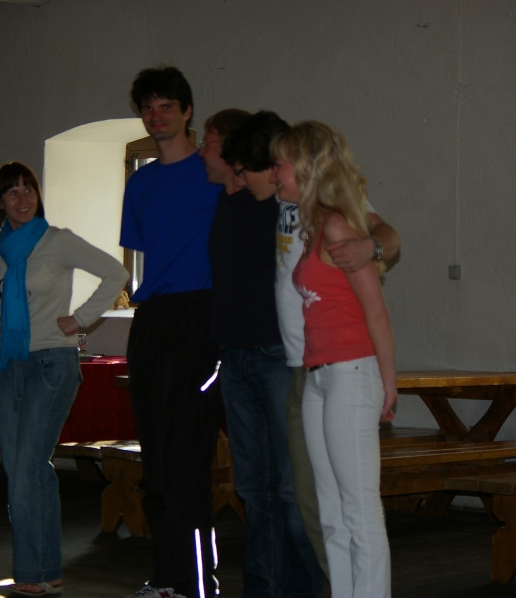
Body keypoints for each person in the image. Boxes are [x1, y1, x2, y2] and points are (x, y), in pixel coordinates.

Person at [0, 162, 128, 597]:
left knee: (28, 466)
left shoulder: (57, 240)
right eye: (12, 192)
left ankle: (30, 573)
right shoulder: (0, 246)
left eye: (28, 189)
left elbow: (116, 273)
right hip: (10, 362)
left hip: (52, 361)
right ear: (0, 202)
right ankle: (48, 570)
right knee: (23, 467)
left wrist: (80, 319)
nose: (23, 198)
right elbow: (2, 299)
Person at [272, 121, 397, 597]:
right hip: (319, 375)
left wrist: (388, 384)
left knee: (359, 509)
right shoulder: (312, 227)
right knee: (330, 511)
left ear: (306, 169)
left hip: (352, 373)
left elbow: (376, 312)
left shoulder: (340, 226)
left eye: (281, 164)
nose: (275, 173)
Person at [207, 109, 321, 598]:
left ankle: (310, 588)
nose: (205, 153)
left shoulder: (293, 201)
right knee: (255, 488)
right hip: (235, 354)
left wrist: (375, 247)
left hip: (279, 355)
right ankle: (265, 589)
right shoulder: (230, 199)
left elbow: (372, 228)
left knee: (293, 491)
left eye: (212, 143)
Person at [119, 66, 223, 598]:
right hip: (152, 320)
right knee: (157, 460)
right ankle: (167, 578)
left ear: (187, 112)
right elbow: (144, 254)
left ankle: (198, 584)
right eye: (148, 107)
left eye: (166, 106)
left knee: (187, 460)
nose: (156, 115)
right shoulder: (139, 183)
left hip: (201, 317)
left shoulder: (213, 173)